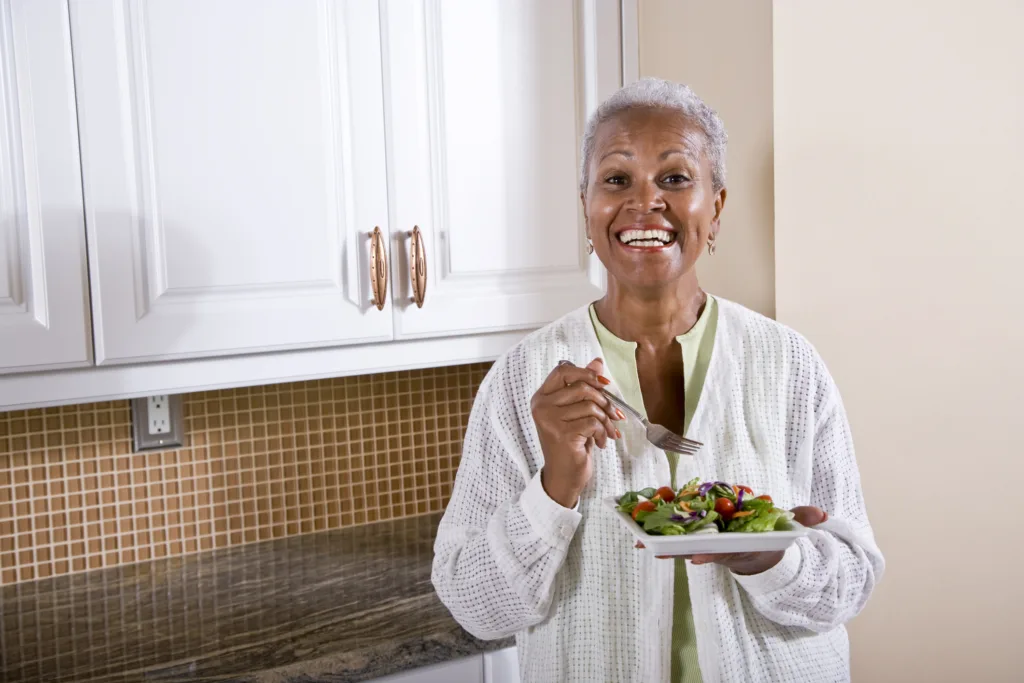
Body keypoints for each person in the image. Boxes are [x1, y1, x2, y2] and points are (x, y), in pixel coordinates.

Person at [431, 77, 884, 683]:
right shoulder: (524, 380)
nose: (645, 202)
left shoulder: (789, 364)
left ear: (715, 207)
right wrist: (555, 486)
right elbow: (476, 607)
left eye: (674, 178)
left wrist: (774, 559)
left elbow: (852, 579)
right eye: (617, 179)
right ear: (587, 207)